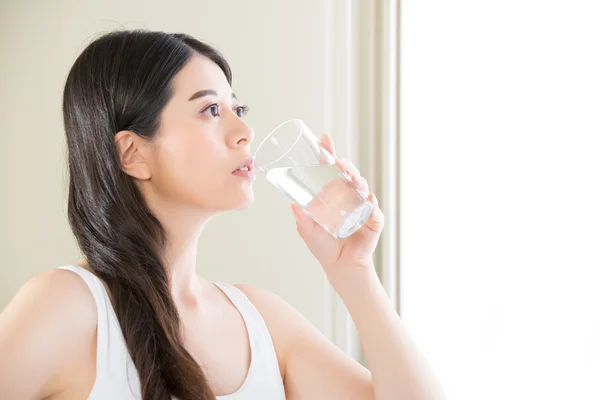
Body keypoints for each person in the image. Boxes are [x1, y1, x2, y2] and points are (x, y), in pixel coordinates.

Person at [0, 30, 446, 400]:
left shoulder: (263, 320)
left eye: (238, 108)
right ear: (133, 153)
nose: (244, 131)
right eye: (211, 109)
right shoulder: (67, 306)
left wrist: (355, 271)